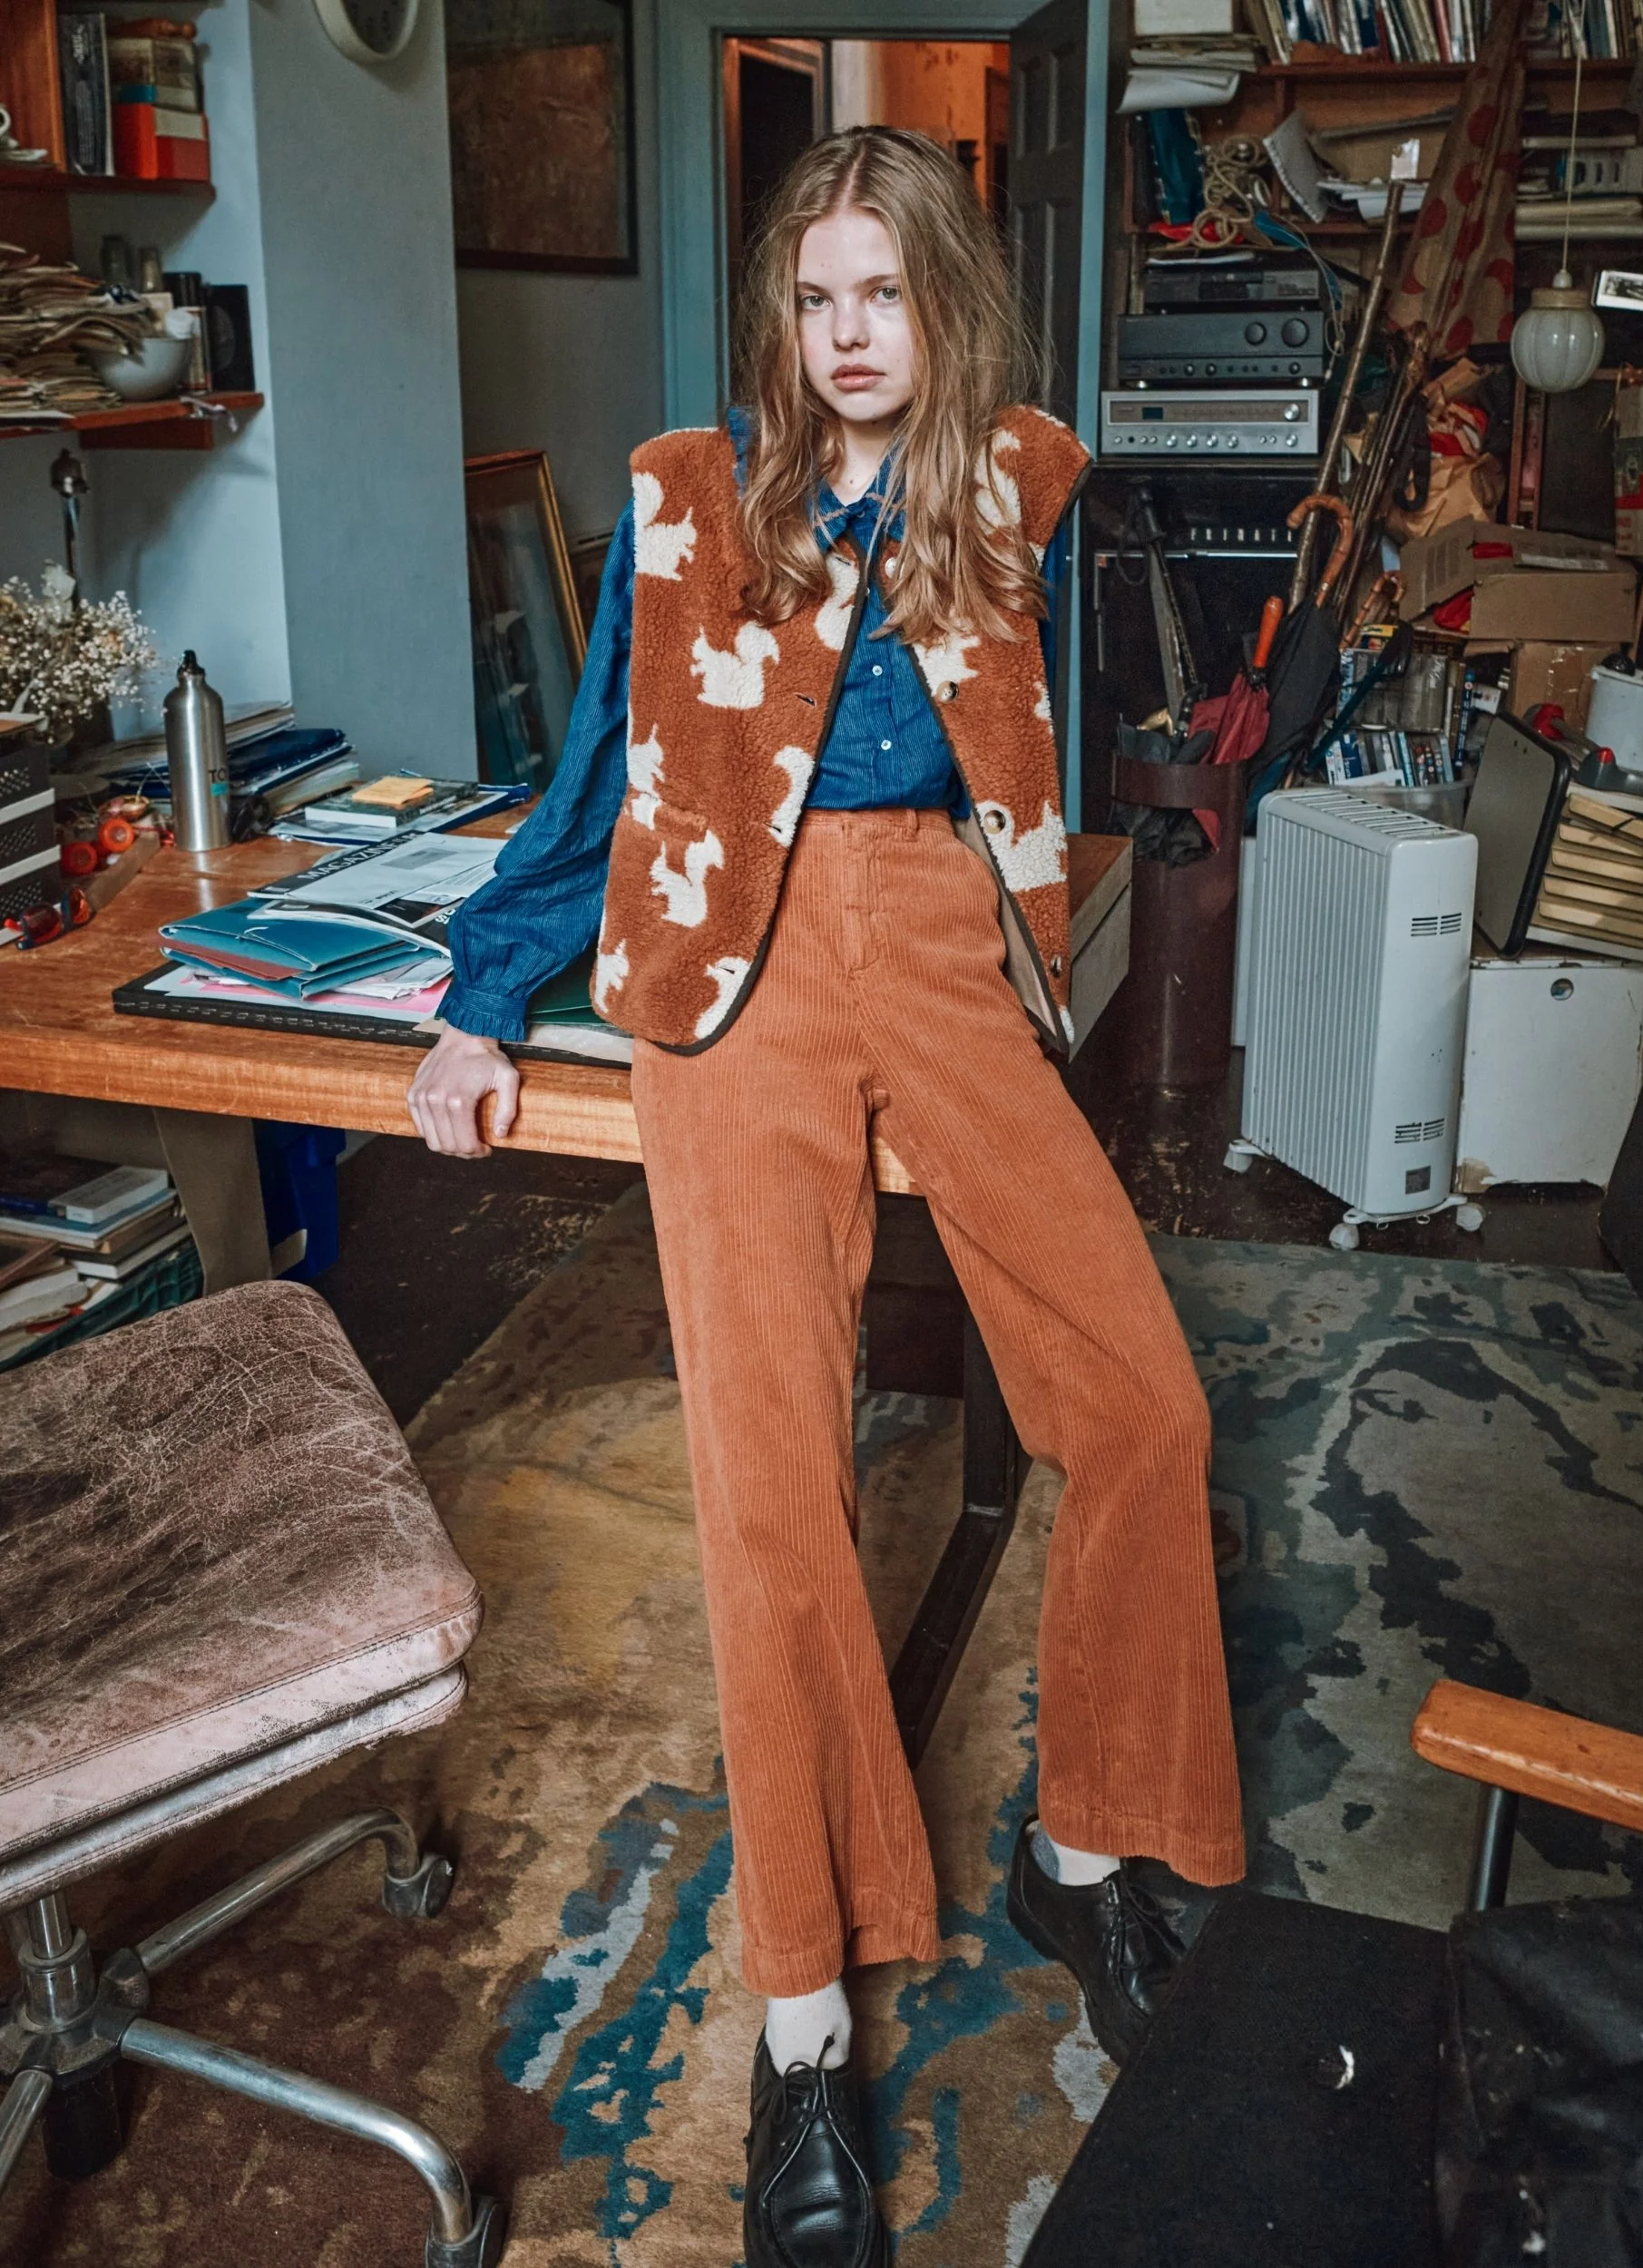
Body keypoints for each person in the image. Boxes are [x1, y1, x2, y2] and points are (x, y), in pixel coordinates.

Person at [408, 125, 1244, 2268]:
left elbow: (1030, 738)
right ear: (780, 317)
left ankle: (1082, 1846)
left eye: (886, 294)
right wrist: (484, 1001)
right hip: (738, 968)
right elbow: (596, 781)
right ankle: (800, 2028)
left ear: (943, 306)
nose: (850, 334)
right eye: (817, 297)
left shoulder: (1013, 486)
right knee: (774, 1498)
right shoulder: (690, 498)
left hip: (946, 943)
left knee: (1144, 1405)